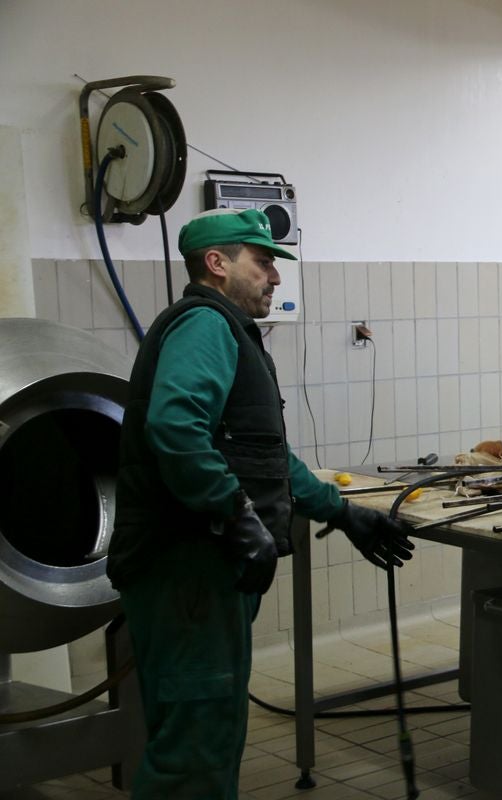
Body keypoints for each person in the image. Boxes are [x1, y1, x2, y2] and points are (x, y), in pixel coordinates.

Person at [107, 207, 415, 798]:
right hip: (186, 573)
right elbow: (175, 429)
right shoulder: (205, 326)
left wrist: (341, 511)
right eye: (264, 262)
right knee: (194, 747)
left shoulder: (230, 332)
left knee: (206, 733)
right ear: (217, 264)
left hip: (201, 574)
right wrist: (232, 512)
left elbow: (266, 458)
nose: (275, 277)